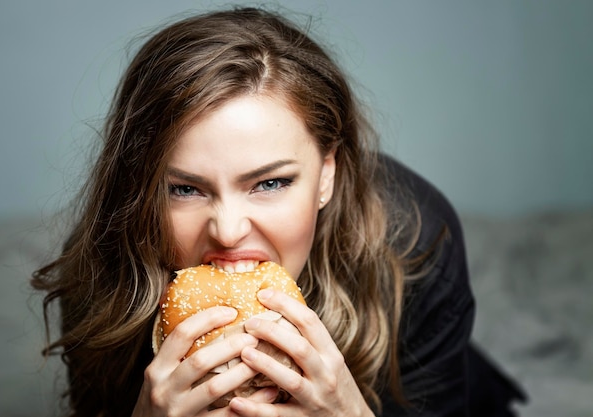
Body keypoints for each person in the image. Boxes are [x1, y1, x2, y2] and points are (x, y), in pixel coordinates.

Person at [32, 6, 526, 417]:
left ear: (326, 173)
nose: (227, 231)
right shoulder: (102, 262)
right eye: (184, 189)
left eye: (269, 183)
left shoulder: (415, 240)